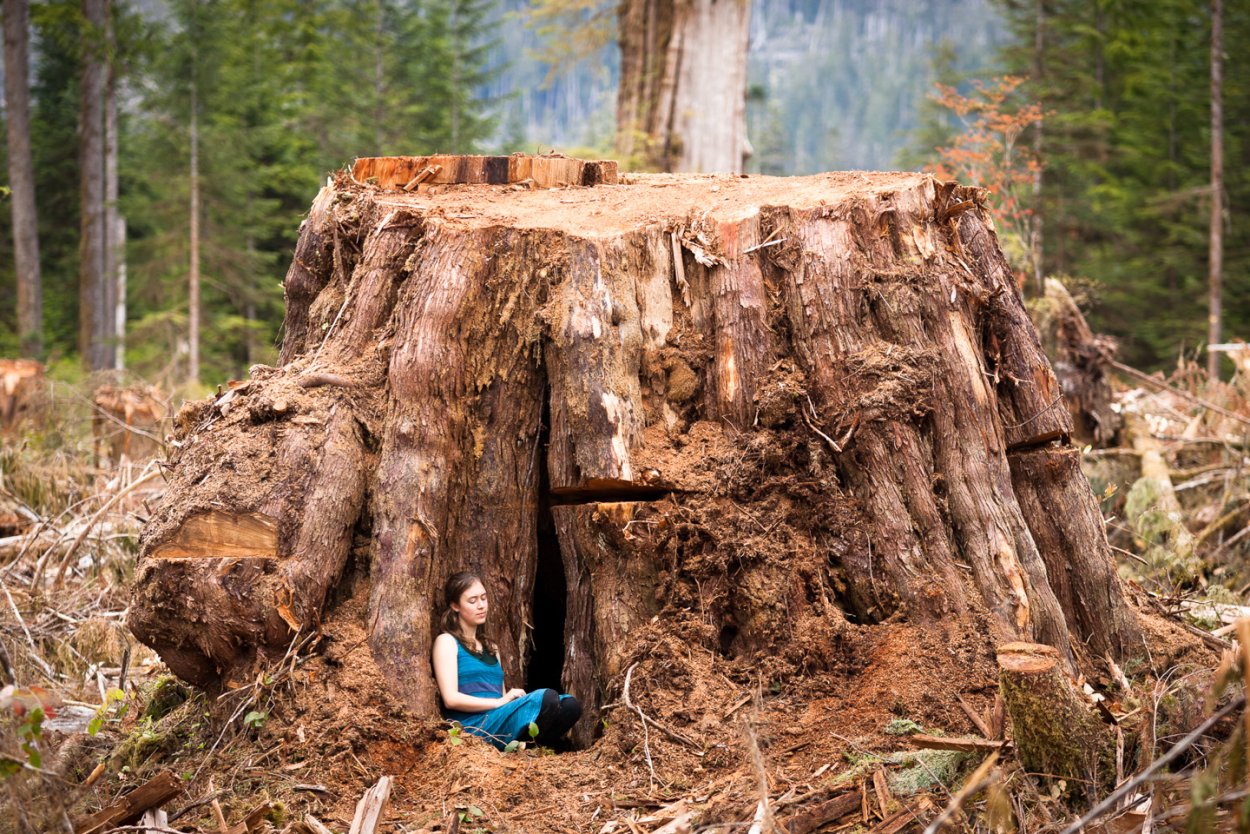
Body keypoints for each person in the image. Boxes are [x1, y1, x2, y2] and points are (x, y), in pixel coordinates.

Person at [432, 571, 581, 750]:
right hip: (472, 726)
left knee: (570, 705)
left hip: (498, 718)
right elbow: (450, 699)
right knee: (547, 698)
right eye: (472, 601)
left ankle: (528, 748)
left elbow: (500, 697)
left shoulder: (491, 648)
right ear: (455, 605)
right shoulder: (447, 642)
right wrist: (499, 703)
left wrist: (507, 702)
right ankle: (521, 746)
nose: (481, 605)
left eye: (483, 598)